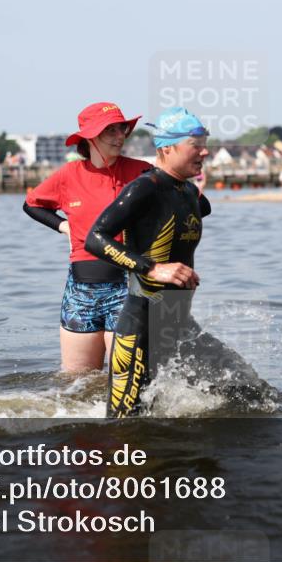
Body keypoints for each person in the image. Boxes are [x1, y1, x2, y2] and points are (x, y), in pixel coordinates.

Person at [85, 107, 211, 418]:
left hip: (177, 321)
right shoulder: (145, 187)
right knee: (125, 424)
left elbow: (180, 219)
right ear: (167, 148)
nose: (205, 152)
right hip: (142, 325)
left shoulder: (189, 192)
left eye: (205, 144)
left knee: (243, 392)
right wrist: (152, 268)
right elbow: (95, 238)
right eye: (195, 145)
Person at [22, 102, 148, 373]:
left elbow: (192, 204)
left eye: (122, 129)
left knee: (126, 381)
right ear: (90, 137)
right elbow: (32, 204)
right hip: (81, 293)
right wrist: (63, 226)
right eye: (110, 130)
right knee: (76, 384)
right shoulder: (69, 174)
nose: (120, 136)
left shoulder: (142, 172)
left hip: (127, 289)